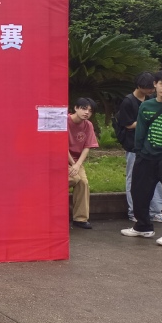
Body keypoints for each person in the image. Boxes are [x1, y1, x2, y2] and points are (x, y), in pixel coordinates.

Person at [121, 70, 162, 247]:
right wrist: (140, 152)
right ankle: (143, 227)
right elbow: (141, 131)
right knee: (139, 193)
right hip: (146, 157)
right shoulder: (146, 106)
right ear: (155, 84)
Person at [117, 72, 162, 223]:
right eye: (148, 88)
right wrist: (146, 122)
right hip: (134, 146)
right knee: (134, 178)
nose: (151, 90)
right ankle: (134, 211)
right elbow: (127, 124)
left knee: (157, 177)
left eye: (152, 87)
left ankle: (156, 210)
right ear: (139, 86)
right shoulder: (128, 101)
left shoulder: (151, 100)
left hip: (151, 144)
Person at [68, 98, 98, 229]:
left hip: (77, 161)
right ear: (76, 108)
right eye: (84, 108)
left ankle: (80, 218)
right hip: (61, 158)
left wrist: (77, 164)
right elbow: (61, 145)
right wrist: (72, 163)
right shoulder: (64, 121)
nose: (87, 113)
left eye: (90, 111)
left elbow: (87, 146)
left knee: (83, 182)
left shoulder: (88, 125)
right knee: (74, 178)